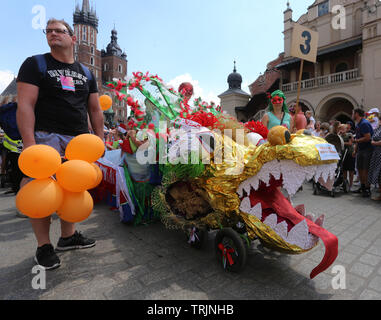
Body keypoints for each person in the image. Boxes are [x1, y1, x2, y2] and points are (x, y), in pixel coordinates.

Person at [16, 18, 104, 270]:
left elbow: (95, 108)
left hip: (78, 139)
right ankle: (44, 246)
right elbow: (25, 105)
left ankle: (67, 237)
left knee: (73, 187)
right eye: (49, 31)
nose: (53, 34)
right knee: (41, 190)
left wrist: (100, 138)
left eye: (59, 31)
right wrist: (30, 143)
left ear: (73, 38)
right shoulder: (36, 64)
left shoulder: (86, 72)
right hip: (45, 136)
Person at [352, 108, 374, 197]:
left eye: (353, 113)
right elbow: (358, 139)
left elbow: (368, 137)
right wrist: (355, 150)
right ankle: (362, 187)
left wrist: (356, 141)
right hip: (361, 150)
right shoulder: (359, 124)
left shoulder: (364, 123)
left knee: (365, 170)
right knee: (360, 169)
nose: (352, 115)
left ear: (357, 114)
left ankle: (367, 189)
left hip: (367, 150)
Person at [340, 124, 356, 191]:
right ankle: (344, 184)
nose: (342, 130)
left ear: (346, 129)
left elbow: (350, 143)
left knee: (351, 171)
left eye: (343, 129)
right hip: (343, 154)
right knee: (344, 170)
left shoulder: (349, 134)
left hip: (350, 153)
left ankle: (351, 185)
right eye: (340, 129)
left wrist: (341, 142)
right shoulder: (340, 136)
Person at [368, 119, 381, 200]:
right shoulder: (378, 129)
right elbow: (372, 138)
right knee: (378, 173)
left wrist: (374, 143)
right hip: (376, 153)